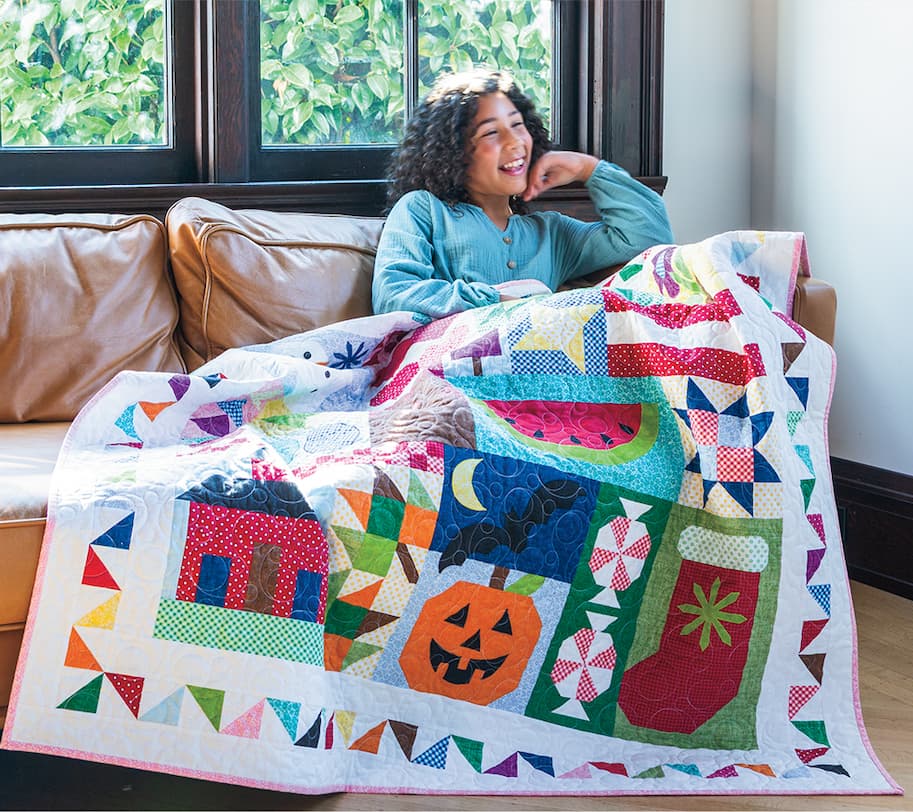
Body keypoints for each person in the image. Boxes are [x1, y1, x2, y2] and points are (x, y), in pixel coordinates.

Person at [371, 68, 674, 320]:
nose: (514, 142)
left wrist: (587, 169)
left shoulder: (551, 233)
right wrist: (499, 301)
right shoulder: (422, 209)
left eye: (518, 125)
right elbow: (394, 294)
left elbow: (651, 240)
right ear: (451, 152)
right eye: (491, 132)